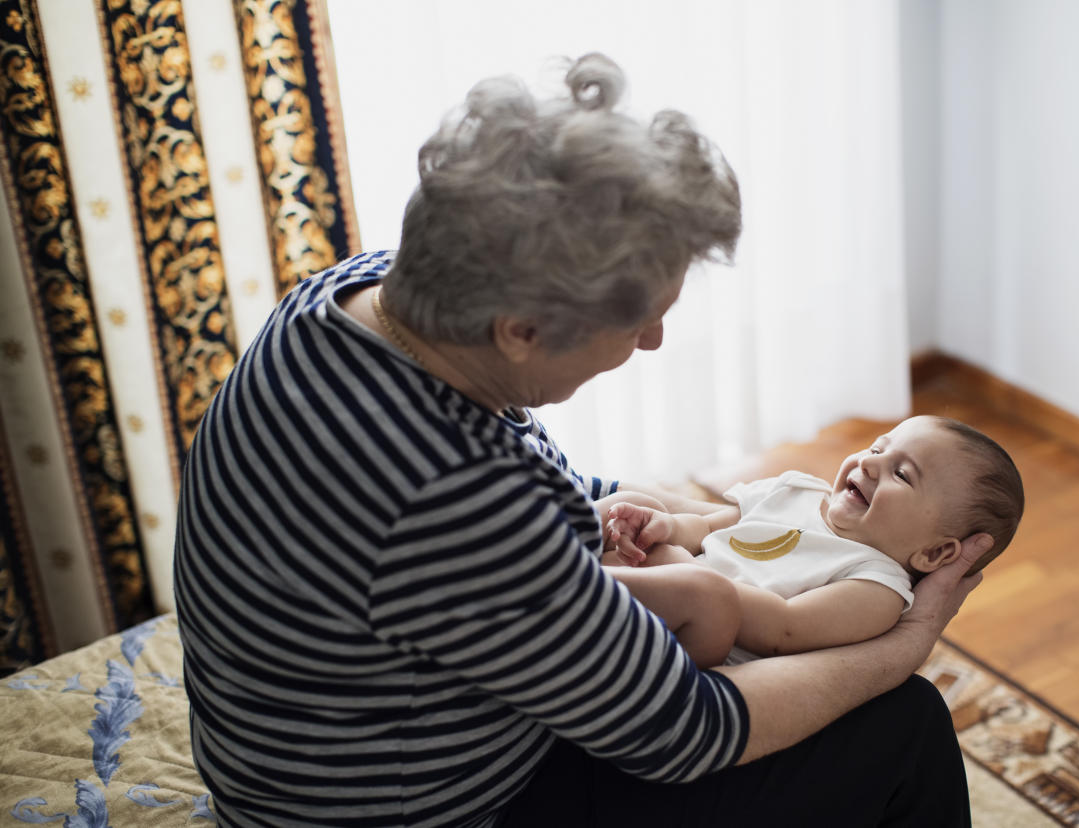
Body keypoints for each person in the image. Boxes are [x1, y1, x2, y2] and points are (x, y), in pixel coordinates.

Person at [173, 52, 991, 828]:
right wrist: (911, 638)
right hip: (424, 808)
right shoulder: (454, 501)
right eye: (639, 320)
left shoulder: (354, 295)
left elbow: (520, 495)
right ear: (522, 330)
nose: (655, 342)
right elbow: (691, 734)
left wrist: (666, 518)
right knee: (904, 725)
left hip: (298, 752)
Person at [597, 415, 1024, 666]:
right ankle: (564, 571)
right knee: (634, 503)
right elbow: (713, 528)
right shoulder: (796, 491)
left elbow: (784, 627)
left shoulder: (876, 585)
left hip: (705, 643)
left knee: (702, 593)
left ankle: (582, 591)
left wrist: (684, 571)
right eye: (878, 448)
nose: (870, 464)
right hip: (677, 586)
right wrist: (667, 529)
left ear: (934, 552)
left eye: (902, 474)